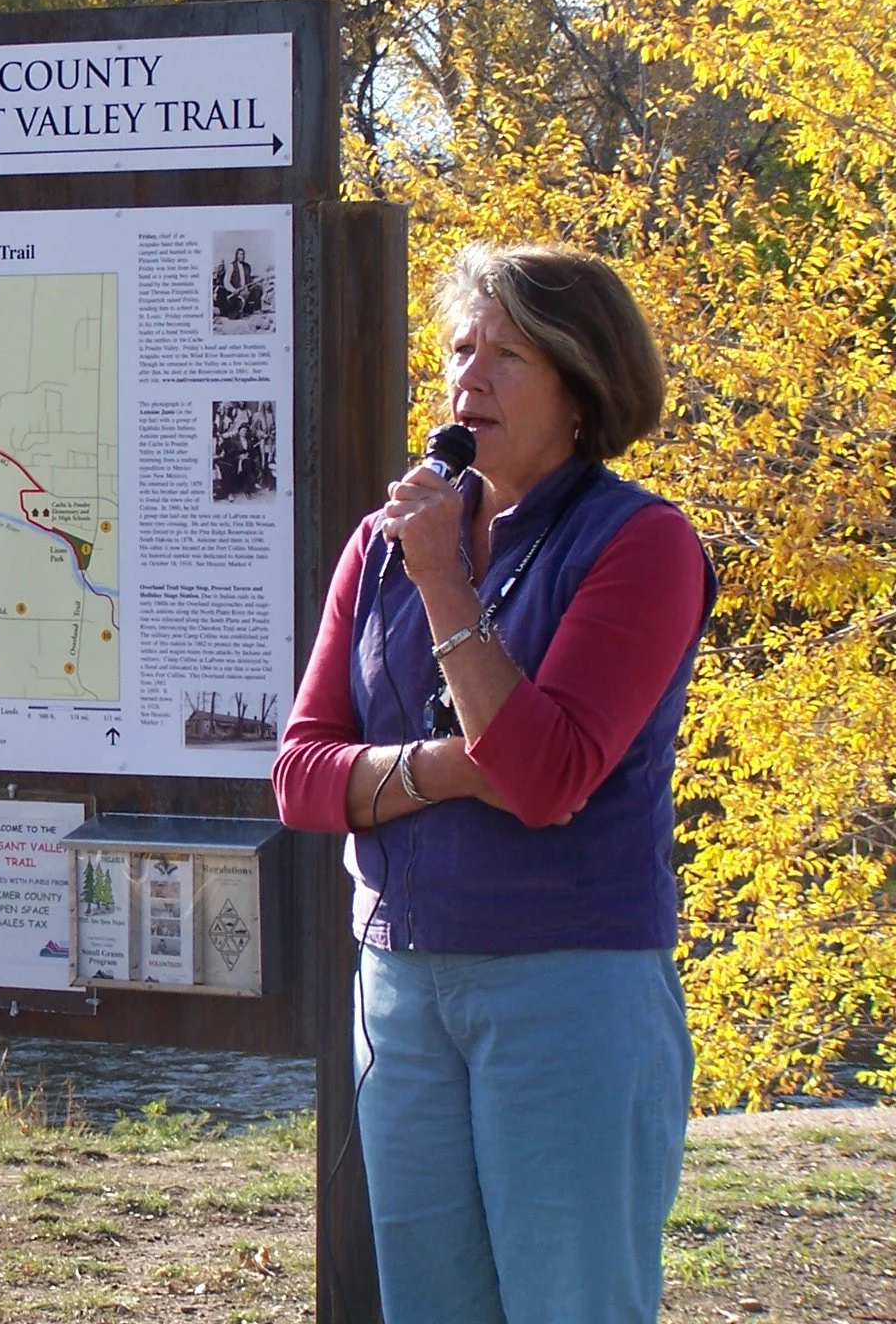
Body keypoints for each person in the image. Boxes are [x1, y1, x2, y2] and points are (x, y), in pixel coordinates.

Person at [273, 244, 715, 1324]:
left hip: (566, 985)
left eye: (506, 354)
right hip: (400, 987)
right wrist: (438, 770)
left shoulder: (639, 544)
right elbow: (296, 777)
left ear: (581, 387)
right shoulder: (380, 547)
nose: (468, 378)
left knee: (570, 1304)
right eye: (460, 348)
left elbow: (540, 778)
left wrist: (440, 583)